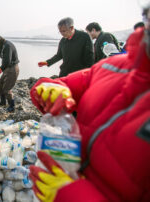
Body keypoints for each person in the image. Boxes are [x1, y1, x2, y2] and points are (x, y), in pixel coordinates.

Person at [28, 6, 150, 201]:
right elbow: (60, 57)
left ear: (71, 28)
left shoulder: (85, 38)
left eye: (64, 31)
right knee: (67, 121)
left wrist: (69, 195)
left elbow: (90, 59)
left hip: (80, 69)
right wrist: (50, 80)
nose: (62, 34)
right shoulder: (111, 68)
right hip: (68, 74)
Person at [0, 33, 19, 112]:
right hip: (7, 69)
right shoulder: (2, 45)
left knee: (6, 89)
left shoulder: (7, 46)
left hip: (13, 69)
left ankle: (12, 106)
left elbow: (7, 62)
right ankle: (3, 102)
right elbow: (0, 58)